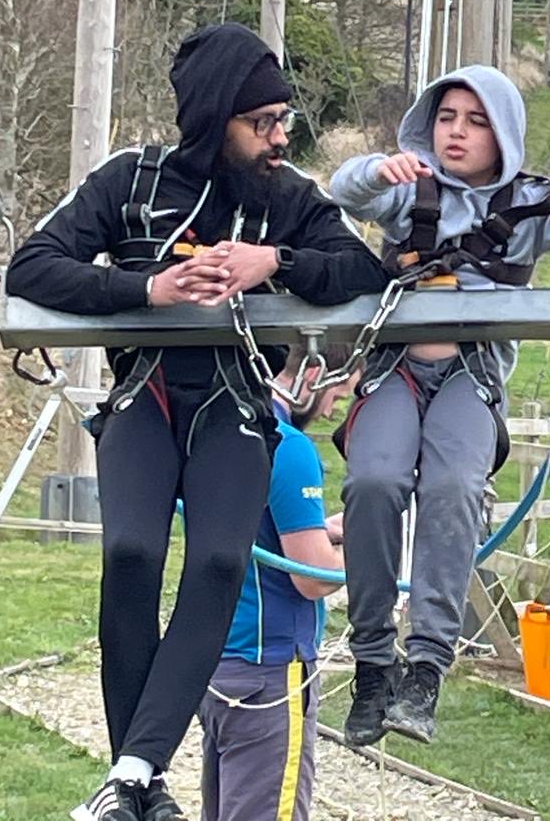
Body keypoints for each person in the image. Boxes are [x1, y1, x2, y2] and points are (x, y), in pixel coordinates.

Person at [5, 22, 388, 821]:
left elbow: (364, 266)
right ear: (217, 119)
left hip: (235, 407)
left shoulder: (286, 198)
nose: (282, 137)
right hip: (147, 394)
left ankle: (135, 774)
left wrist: (271, 263)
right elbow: (35, 264)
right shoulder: (132, 180)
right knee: (134, 551)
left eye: (285, 119)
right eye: (264, 123)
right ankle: (139, 776)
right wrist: (151, 289)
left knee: (217, 562)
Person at [328, 64, 550, 745]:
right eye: (448, 118)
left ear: (504, 134)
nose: (457, 133)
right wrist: (380, 171)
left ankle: (426, 663)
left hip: (469, 373)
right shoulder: (412, 187)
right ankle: (373, 658)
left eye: (476, 121)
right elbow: (350, 193)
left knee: (456, 488)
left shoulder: (528, 205)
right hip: (396, 368)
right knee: (374, 481)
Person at [197, 345, 353, 821]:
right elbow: (312, 578)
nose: (330, 410)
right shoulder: (288, 446)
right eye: (335, 396)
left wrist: (319, 530)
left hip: (217, 661)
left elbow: (254, 529)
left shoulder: (216, 430)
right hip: (272, 669)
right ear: (312, 373)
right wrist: (372, 547)